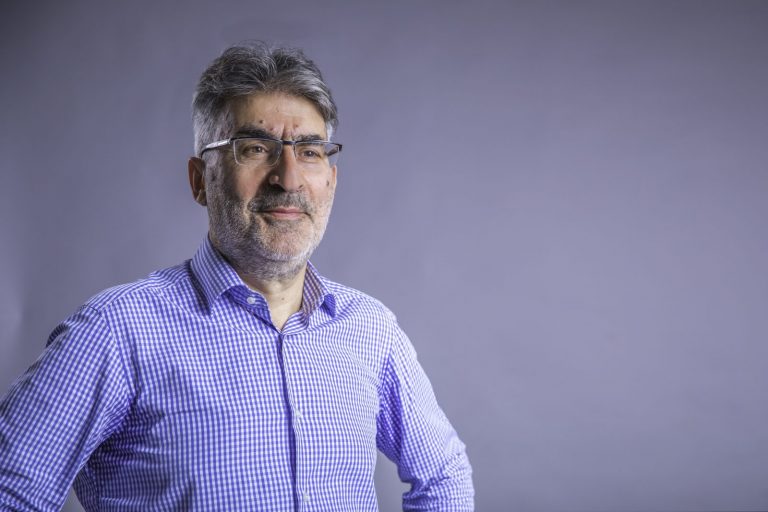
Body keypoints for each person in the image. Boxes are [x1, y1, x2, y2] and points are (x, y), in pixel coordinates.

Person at [0, 42, 474, 511]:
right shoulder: (117, 331)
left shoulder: (370, 328)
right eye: (255, 148)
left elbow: (444, 477)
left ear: (331, 181)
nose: (288, 178)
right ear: (200, 180)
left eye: (310, 151)